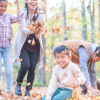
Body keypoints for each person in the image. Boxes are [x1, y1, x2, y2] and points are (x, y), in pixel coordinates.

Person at [14, 0, 45, 96]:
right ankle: (18, 84)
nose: (33, 2)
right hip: (23, 44)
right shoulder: (22, 12)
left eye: (36, 0)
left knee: (32, 67)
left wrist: (38, 30)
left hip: (35, 44)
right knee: (25, 65)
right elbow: (22, 29)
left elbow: (42, 29)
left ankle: (28, 90)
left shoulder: (41, 14)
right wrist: (34, 30)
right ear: (27, 1)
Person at [0, 0, 23, 94]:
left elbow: (19, 18)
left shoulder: (8, 16)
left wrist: (18, 4)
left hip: (7, 48)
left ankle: (9, 91)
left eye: (5, 6)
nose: (3, 8)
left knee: (9, 70)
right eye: (1, 6)